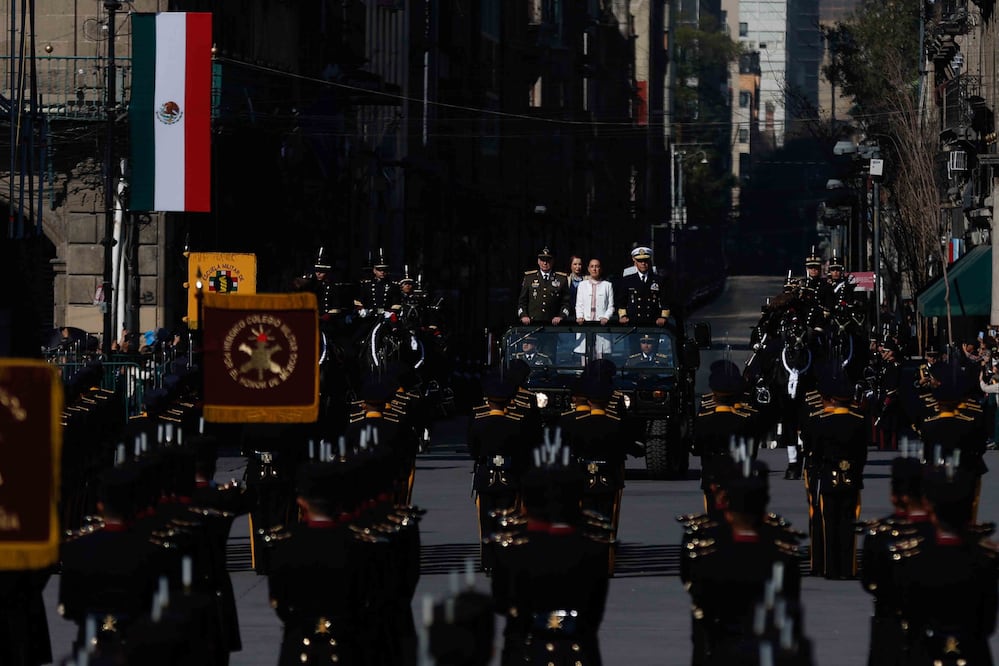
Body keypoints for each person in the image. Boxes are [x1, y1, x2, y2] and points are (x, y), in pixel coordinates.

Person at [894, 465, 999, 666]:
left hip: (927, 651)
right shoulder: (984, 559)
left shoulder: (917, 557)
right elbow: (987, 623)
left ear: (931, 512)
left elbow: (910, 615)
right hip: (971, 651)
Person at [811, 363, 867, 579]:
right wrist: (857, 471)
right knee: (848, 522)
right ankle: (847, 568)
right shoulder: (859, 421)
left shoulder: (822, 422)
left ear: (832, 399)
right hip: (851, 474)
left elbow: (816, 452)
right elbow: (862, 453)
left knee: (830, 522)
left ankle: (831, 569)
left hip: (828, 474)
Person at [615, 246, 671, 326]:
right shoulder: (627, 280)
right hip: (633, 323)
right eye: (640, 261)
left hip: (653, 323)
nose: (643, 263)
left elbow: (665, 302)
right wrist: (623, 316)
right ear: (635, 261)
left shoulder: (659, 280)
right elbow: (621, 302)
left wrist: (663, 317)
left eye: (645, 260)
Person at [517, 247, 571, 326]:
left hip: (553, 325)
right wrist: (523, 315)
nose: (545, 263)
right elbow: (522, 302)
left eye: (548, 260)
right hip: (532, 323)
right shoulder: (529, 278)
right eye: (542, 260)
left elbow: (566, 303)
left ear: (553, 261)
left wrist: (561, 317)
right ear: (538, 261)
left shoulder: (561, 279)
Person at [573, 257, 615, 357]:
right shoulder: (582, 285)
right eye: (592, 266)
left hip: (601, 324)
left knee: (600, 356)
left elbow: (611, 306)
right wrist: (580, 316)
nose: (594, 269)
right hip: (585, 323)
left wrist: (606, 317)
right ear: (588, 269)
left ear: (601, 269)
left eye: (597, 266)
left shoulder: (607, 285)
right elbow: (579, 304)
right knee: (585, 354)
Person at [358, 249, 402, 314]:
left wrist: (391, 312)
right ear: (374, 271)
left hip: (386, 314)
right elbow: (359, 300)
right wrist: (361, 310)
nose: (382, 272)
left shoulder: (393, 285)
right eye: (379, 270)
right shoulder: (367, 285)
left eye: (384, 270)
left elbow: (396, 302)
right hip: (369, 315)